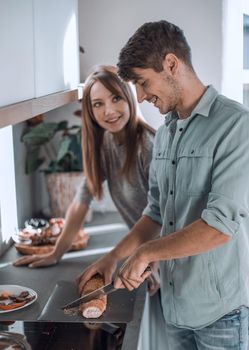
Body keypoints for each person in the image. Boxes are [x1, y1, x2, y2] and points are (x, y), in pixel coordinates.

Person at [78, 21, 249, 350]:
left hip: (223, 314)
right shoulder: (168, 133)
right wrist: (113, 258)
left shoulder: (236, 126)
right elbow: (155, 212)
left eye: (143, 83)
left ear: (171, 64)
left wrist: (145, 253)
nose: (139, 97)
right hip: (176, 306)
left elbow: (219, 226)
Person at [14, 65, 163, 350]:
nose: (109, 110)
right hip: (143, 258)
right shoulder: (107, 141)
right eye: (98, 104)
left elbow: (161, 217)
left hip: (163, 259)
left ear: (129, 96)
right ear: (90, 111)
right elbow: (81, 201)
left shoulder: (148, 146)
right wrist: (57, 252)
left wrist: (144, 259)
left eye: (116, 98)